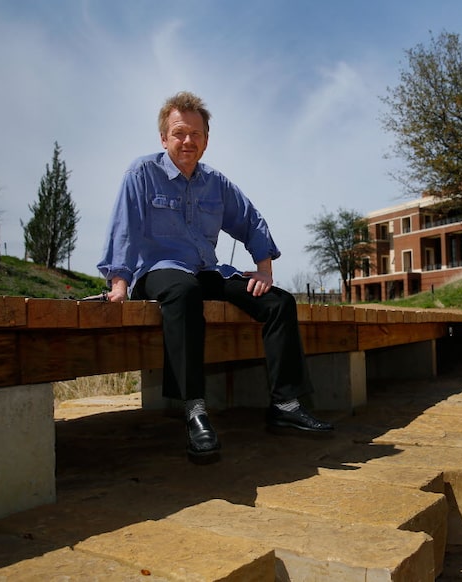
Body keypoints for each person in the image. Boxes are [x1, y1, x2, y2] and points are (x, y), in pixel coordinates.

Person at [98, 91, 333, 459]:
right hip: (158, 273)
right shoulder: (141, 173)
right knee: (184, 291)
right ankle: (194, 411)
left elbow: (251, 220)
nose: (187, 141)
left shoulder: (216, 183)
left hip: (207, 270)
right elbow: (123, 228)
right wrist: (119, 282)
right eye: (179, 133)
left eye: (195, 134)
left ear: (206, 140)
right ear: (164, 138)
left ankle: (285, 405)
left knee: (278, 302)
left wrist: (264, 270)